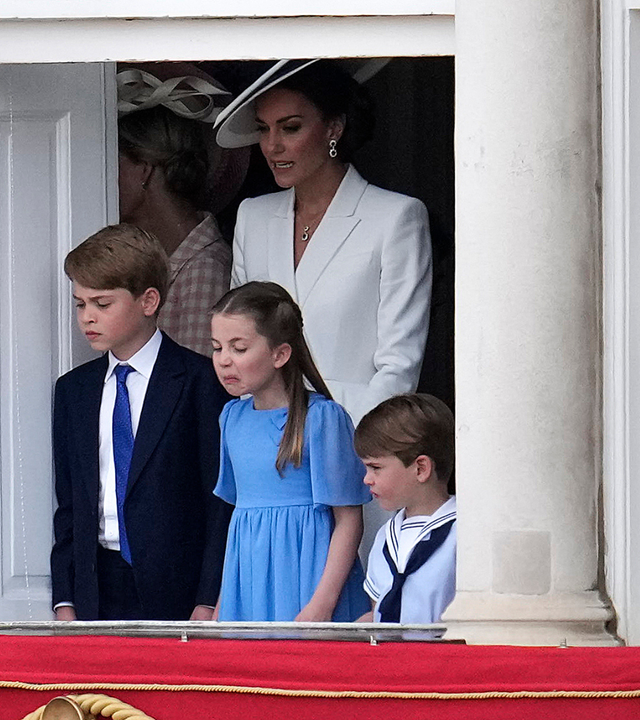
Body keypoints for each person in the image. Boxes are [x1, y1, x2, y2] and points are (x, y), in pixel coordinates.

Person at [214, 59, 433, 424]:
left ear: (334, 127)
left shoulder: (395, 217)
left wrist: (345, 440)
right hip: (264, 434)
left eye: (291, 128)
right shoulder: (253, 217)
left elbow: (398, 367)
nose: (272, 146)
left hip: (355, 436)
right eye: (263, 129)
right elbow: (237, 336)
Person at [50, 223, 232, 621]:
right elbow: (71, 503)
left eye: (102, 304)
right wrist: (65, 597)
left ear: (148, 301)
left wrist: (209, 595)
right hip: (97, 585)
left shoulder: (200, 382)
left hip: (178, 587)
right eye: (80, 304)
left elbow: (218, 500)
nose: (87, 318)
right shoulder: (73, 392)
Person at [210, 281, 372, 622]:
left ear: (280, 354)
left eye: (238, 348)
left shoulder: (322, 418)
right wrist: (224, 604)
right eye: (217, 347)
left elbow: (349, 519)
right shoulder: (231, 418)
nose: (224, 361)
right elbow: (239, 522)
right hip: (250, 584)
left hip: (308, 579)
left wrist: (322, 603)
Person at [117, 66, 241, 355]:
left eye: (115, 163)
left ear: (144, 170)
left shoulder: (204, 271)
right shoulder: (165, 260)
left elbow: (196, 386)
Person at [353, 394, 457, 624]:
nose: (367, 479)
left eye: (375, 467)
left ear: (421, 468)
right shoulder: (385, 538)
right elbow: (377, 608)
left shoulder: (462, 534)